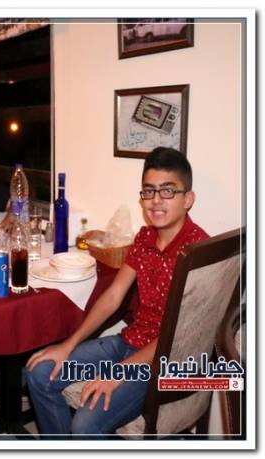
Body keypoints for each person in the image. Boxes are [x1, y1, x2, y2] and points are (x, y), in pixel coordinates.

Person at [24, 147, 209, 438]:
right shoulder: (145, 238)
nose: (156, 200)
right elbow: (113, 296)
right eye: (149, 191)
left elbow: (177, 335)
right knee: (39, 373)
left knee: (85, 423)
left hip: (161, 361)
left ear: (188, 199)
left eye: (167, 191)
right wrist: (68, 344)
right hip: (129, 342)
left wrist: (122, 371)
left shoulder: (198, 252)